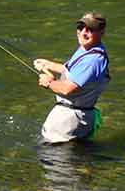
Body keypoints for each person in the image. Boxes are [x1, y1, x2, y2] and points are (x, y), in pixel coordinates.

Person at [34, 12, 111, 143]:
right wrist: (49, 65)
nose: (83, 32)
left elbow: (67, 89)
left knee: (53, 158)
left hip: (70, 119)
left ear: (101, 32)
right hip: (75, 116)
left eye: (90, 29)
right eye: (81, 27)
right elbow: (73, 72)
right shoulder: (88, 48)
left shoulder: (92, 61)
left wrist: (49, 82)